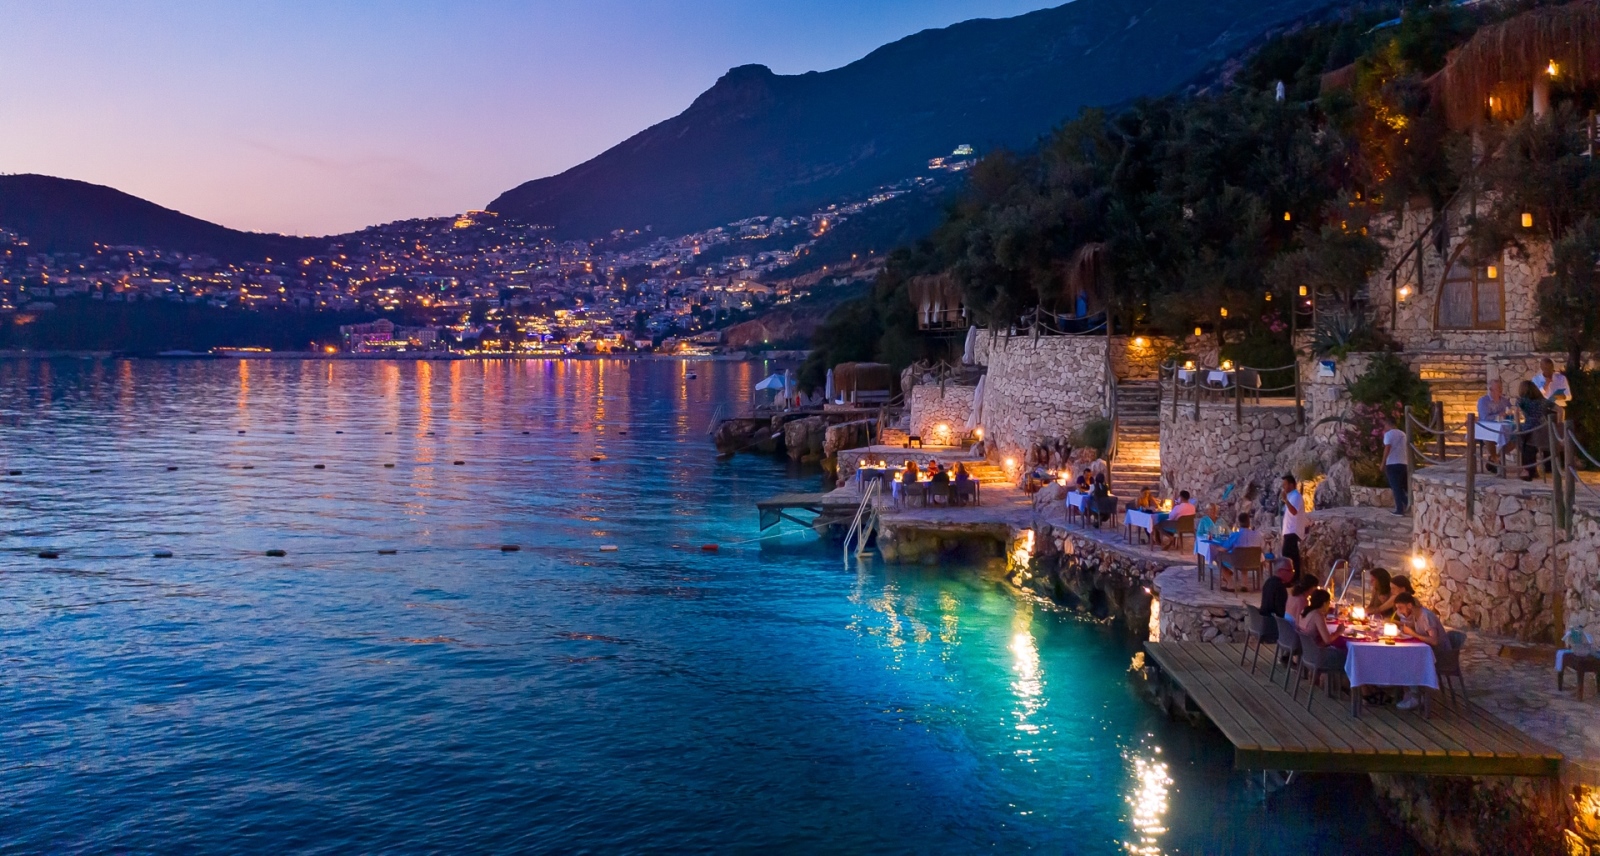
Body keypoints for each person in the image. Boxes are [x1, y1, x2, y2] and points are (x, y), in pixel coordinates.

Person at [1394, 592, 1451, 710]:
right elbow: (1413, 625)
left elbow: (1434, 641)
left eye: (1400, 608)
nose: (1399, 611)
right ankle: (1410, 693)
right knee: (1401, 656)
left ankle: (1415, 696)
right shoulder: (1417, 614)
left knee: (1406, 660)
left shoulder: (1426, 616)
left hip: (1441, 655)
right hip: (1428, 651)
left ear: (1409, 605)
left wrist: (1413, 633)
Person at [1518, 379, 1554, 480]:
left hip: (1529, 428)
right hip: (1543, 428)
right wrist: (1558, 423)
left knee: (1524, 442)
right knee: (1536, 443)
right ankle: (1547, 467)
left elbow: (1516, 412)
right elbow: (1560, 410)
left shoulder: (1522, 400)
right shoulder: (1543, 401)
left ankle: (1528, 470)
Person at [1218, 512, 1263, 591]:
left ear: (1239, 523)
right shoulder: (1258, 534)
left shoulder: (1235, 535)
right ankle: (1244, 585)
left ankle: (1230, 583)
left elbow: (1224, 549)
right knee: (1245, 555)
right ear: (1249, 522)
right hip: (1254, 561)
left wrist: (1217, 548)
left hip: (1238, 561)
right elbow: (1262, 547)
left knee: (1218, 557)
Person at [1477, 379, 1513, 473]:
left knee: (1516, 438)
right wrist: (1498, 416)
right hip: (1487, 428)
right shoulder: (1483, 401)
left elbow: (1510, 411)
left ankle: (1495, 457)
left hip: (1503, 427)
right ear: (1491, 389)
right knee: (1488, 436)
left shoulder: (1504, 401)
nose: (1500, 390)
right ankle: (1494, 459)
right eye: (1498, 388)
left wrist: (1512, 413)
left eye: (1501, 388)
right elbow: (1484, 418)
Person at [1258, 561, 1296, 642]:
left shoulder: (1268, 582)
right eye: (1290, 571)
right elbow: (1280, 612)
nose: (1292, 574)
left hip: (1264, 624)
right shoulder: (1279, 587)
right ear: (1280, 571)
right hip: (1273, 626)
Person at [1380, 414, 1409, 516]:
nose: (1384, 428)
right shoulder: (1403, 434)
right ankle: (1408, 504)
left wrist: (1383, 463)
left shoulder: (1388, 435)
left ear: (1388, 424)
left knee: (1395, 487)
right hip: (1403, 462)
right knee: (1401, 486)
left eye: (1385, 425)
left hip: (1392, 463)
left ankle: (1400, 509)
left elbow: (1387, 448)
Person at [1279, 474, 1306, 574]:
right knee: (1291, 555)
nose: (1283, 487)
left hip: (1293, 531)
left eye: (1285, 485)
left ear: (1291, 485)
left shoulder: (1296, 496)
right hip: (1289, 531)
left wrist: (1285, 500)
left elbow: (1294, 511)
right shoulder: (1292, 496)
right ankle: (1294, 577)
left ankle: (1293, 577)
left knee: (1288, 556)